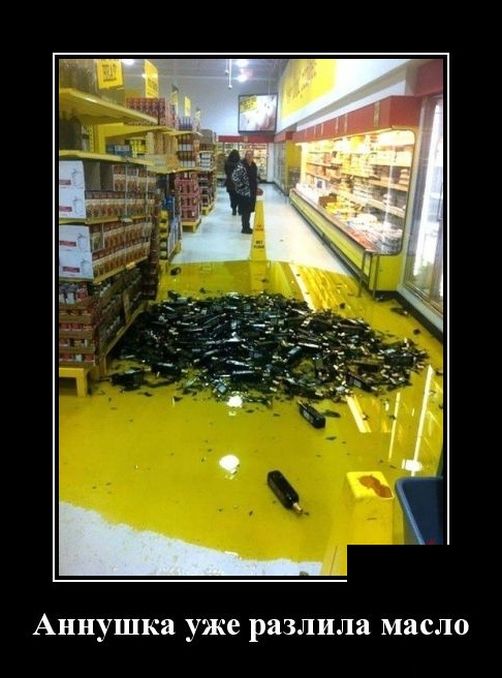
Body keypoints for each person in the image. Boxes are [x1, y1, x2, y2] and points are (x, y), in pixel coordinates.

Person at [231, 150, 261, 234]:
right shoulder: (241, 166)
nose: (249, 157)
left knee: (249, 210)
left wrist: (257, 186)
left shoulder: (254, 165)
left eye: (251, 155)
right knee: (245, 211)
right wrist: (241, 186)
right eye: (248, 155)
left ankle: (247, 226)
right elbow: (234, 176)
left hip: (252, 191)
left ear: (253, 156)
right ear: (245, 156)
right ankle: (245, 228)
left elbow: (255, 177)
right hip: (244, 193)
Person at [224, 149, 240, 215]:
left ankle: (234, 209)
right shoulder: (240, 163)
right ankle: (239, 208)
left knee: (232, 196)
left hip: (230, 182)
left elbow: (225, 171)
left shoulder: (227, 162)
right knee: (238, 196)